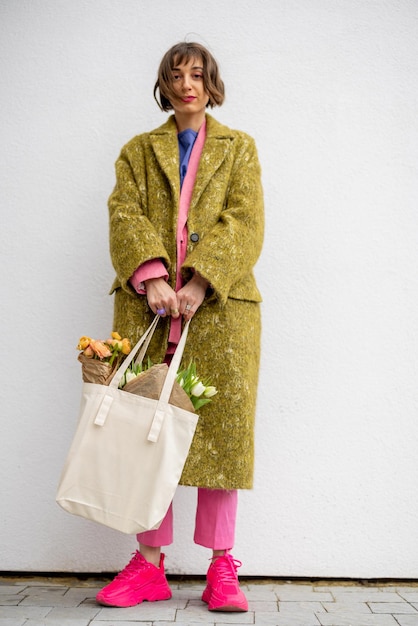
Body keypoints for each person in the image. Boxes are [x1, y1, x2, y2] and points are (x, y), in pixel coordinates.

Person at [96, 41, 264, 613]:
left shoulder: (240, 149)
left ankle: (222, 569)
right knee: (147, 434)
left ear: (211, 82)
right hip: (149, 309)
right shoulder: (137, 153)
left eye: (198, 74)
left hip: (218, 311)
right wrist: (152, 277)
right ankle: (149, 566)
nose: (187, 83)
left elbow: (244, 221)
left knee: (219, 440)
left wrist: (198, 279)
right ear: (163, 84)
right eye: (176, 74)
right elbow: (125, 213)